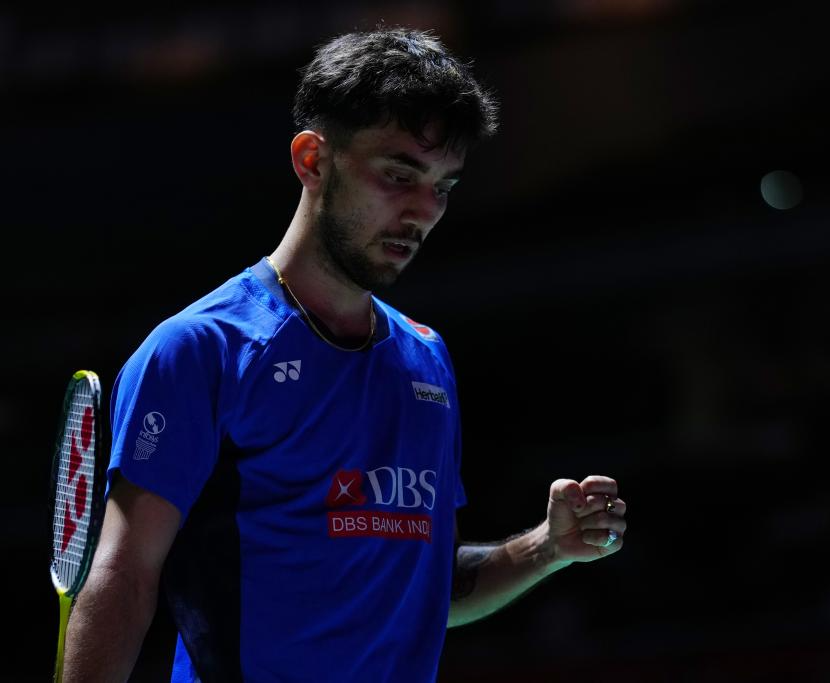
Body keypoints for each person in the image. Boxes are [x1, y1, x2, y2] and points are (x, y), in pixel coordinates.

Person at [63, 26, 626, 682]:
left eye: (443, 186)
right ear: (313, 160)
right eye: (399, 175)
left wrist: (547, 547)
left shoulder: (426, 360)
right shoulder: (202, 350)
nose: (423, 211)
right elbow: (125, 576)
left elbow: (431, 591)